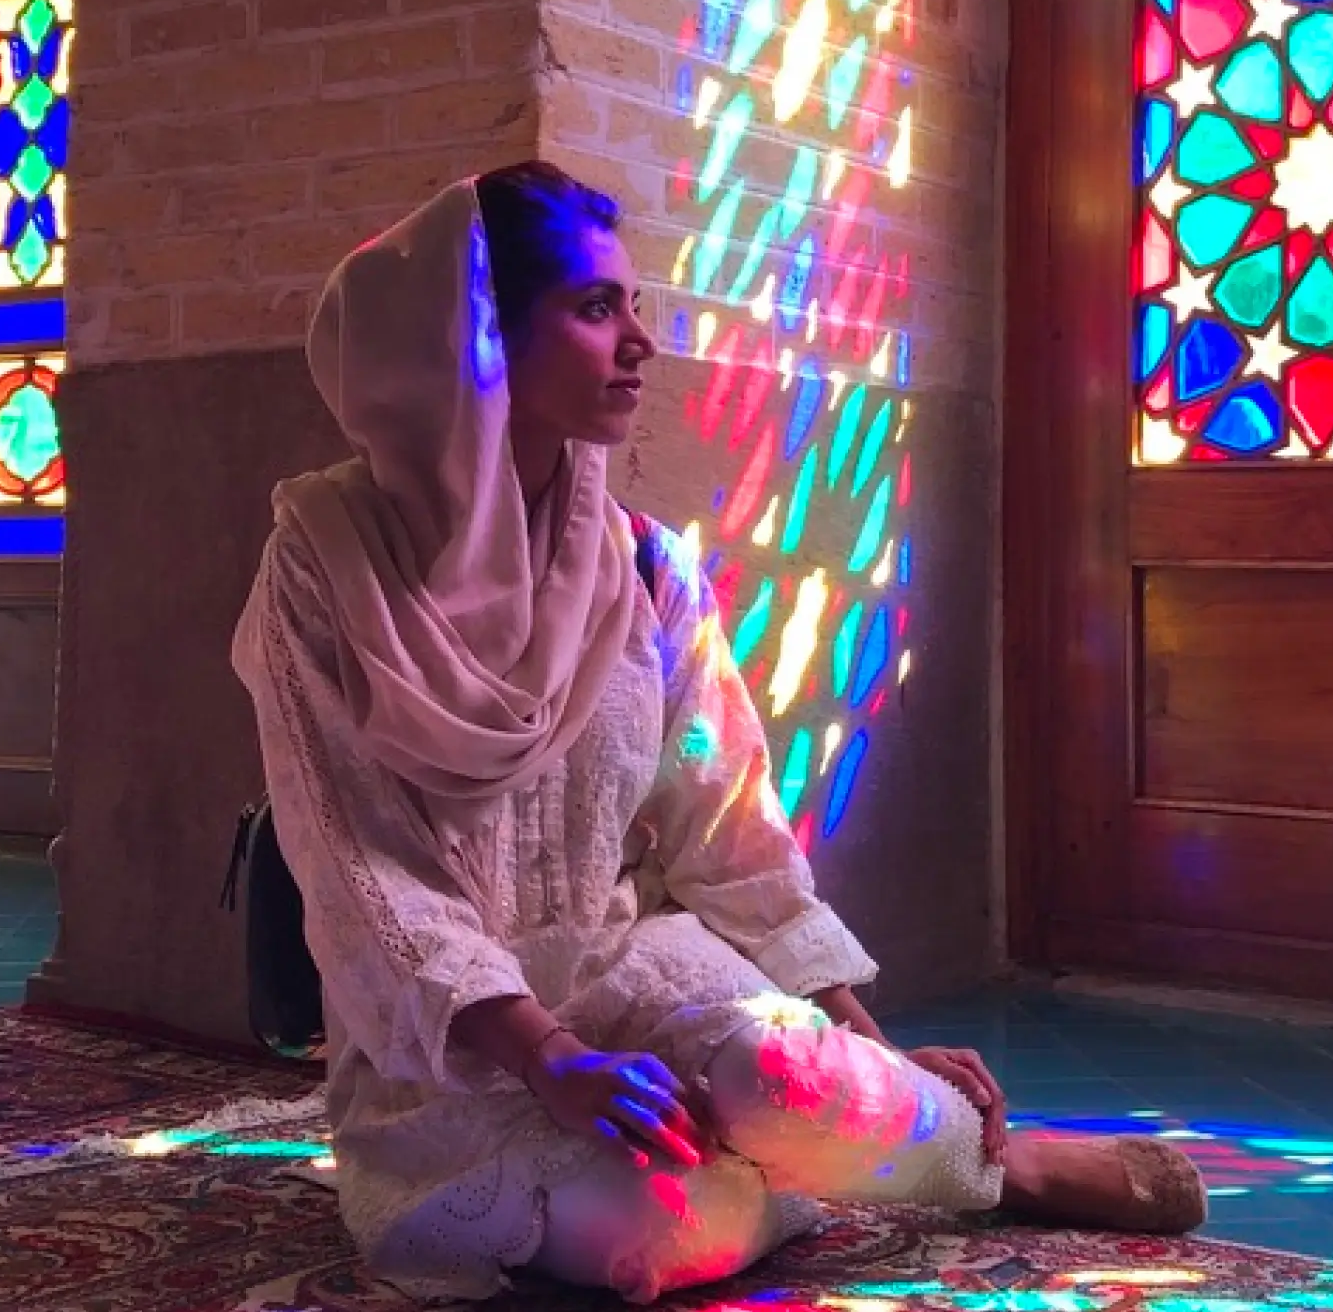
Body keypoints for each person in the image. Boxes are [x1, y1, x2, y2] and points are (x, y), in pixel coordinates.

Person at [231, 162, 1205, 1305]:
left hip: (631, 974)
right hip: (445, 1048)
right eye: (596, 307)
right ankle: (842, 1162)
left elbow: (728, 833)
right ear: (479, 338)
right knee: (652, 1231)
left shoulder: (643, 567)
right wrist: (551, 1059)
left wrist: (870, 1046)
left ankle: (992, 1163)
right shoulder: (325, 569)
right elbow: (366, 870)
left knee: (791, 1072)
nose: (640, 341)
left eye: (634, 305)